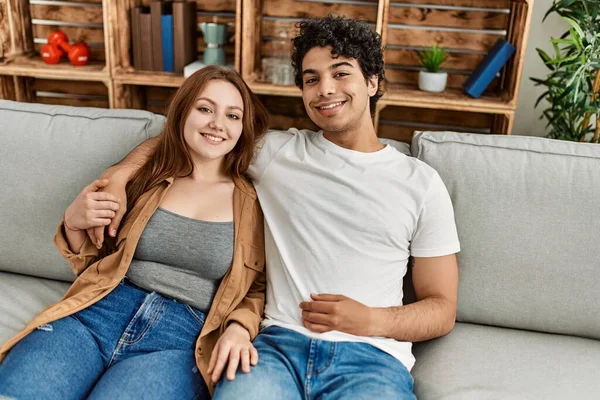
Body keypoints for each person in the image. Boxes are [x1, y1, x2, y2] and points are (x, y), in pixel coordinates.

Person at [82, 15, 460, 400]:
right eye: (311, 79)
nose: (325, 89)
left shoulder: (421, 184)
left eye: (341, 73)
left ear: (372, 82)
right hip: (274, 349)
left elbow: (442, 309)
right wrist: (118, 176)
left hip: (372, 358)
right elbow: (183, 141)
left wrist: (371, 319)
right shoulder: (277, 152)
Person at [0, 65, 270, 399]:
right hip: (97, 313)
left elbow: (256, 287)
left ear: (244, 128)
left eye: (232, 115)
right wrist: (73, 222)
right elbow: (91, 261)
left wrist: (241, 328)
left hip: (179, 341)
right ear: (183, 112)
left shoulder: (252, 202)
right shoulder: (146, 177)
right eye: (205, 109)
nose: (217, 124)